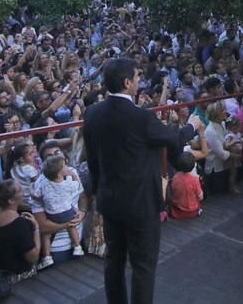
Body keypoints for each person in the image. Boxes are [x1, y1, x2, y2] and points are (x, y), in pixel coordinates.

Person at [83, 57, 197, 304]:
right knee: (143, 266)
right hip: (140, 203)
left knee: (114, 259)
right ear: (127, 82)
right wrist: (192, 127)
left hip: (109, 199)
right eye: (137, 77)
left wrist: (98, 191)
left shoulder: (92, 113)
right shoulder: (141, 118)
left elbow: (92, 159)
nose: (139, 81)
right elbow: (172, 139)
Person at [31, 153, 84, 268]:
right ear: (59, 172)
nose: (67, 166)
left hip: (53, 214)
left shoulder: (44, 184)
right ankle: (77, 247)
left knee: (46, 235)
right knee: (71, 226)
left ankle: (47, 257)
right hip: (66, 214)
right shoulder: (68, 182)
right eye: (64, 165)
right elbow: (77, 186)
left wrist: (31, 189)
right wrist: (73, 176)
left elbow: (36, 196)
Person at [0, 180, 40, 277]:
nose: (23, 192)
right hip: (16, 277)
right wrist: (36, 229)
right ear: (11, 200)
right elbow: (32, 256)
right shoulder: (20, 224)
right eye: (20, 190)